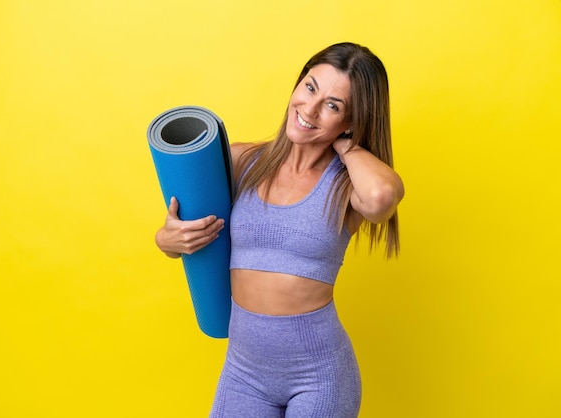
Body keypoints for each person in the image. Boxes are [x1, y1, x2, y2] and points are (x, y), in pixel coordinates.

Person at [155, 42, 404, 418]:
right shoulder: (244, 161)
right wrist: (167, 240)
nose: (311, 108)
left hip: (318, 375)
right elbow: (181, 231)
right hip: (243, 372)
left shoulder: (345, 185)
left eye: (333, 106)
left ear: (351, 122)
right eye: (310, 87)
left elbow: (383, 195)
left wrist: (348, 147)